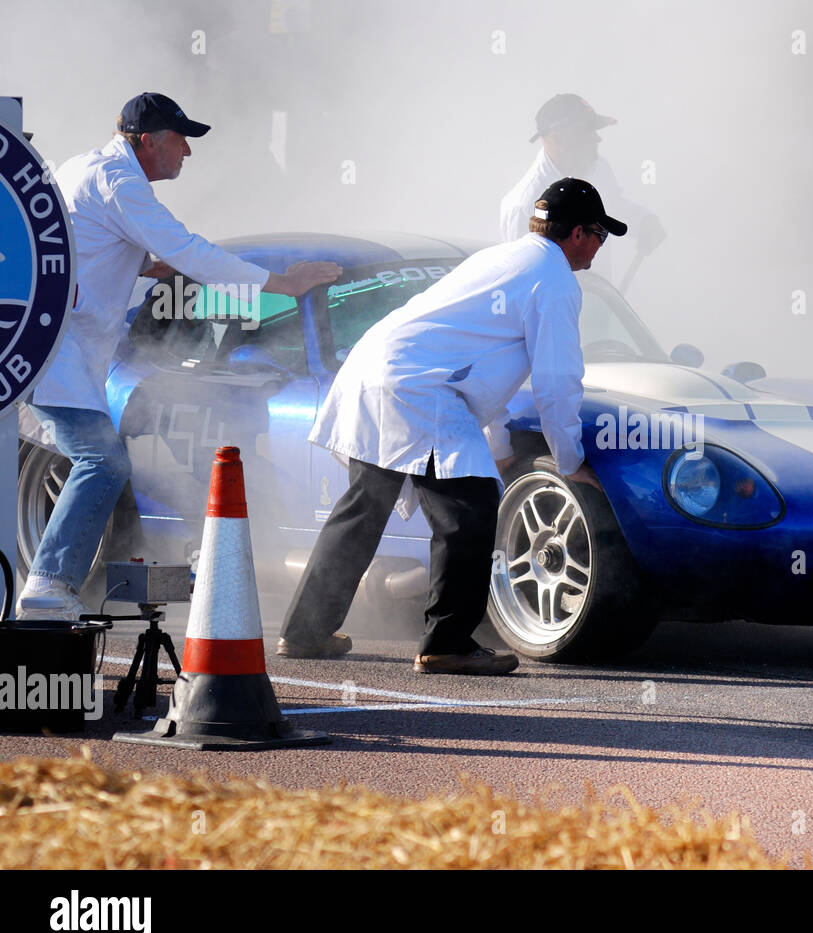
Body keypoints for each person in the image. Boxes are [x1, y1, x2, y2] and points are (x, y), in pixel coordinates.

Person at [276, 178, 625, 675]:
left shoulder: (499, 259)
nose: (599, 247)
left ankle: (306, 631)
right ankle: (447, 642)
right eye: (600, 235)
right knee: (471, 508)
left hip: (375, 370)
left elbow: (480, 365)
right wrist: (570, 461)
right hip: (419, 390)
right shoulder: (554, 280)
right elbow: (556, 381)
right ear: (577, 234)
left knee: (361, 511)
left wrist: (498, 443)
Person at [17, 92, 340, 620]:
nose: (187, 152)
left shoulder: (89, 168)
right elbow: (189, 250)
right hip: (59, 354)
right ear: (147, 142)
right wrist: (284, 283)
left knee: (99, 461)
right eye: (179, 139)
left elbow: (92, 244)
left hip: (57, 348)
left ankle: (50, 586)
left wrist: (146, 264)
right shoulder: (120, 182)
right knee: (102, 462)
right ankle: (48, 585)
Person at [499, 94, 663, 283]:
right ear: (555, 139)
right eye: (585, 132)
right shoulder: (524, 205)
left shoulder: (597, 167)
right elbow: (522, 281)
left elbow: (614, 205)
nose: (597, 138)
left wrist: (643, 221)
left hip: (596, 300)